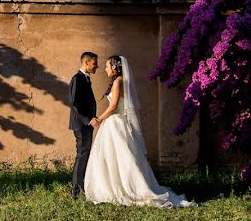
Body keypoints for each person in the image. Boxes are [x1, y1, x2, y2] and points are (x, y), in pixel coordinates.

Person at [84, 55, 197, 207]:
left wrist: (99, 119)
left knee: (118, 157)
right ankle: (115, 186)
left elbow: (113, 106)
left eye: (107, 66)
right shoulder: (120, 81)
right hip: (116, 124)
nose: (105, 69)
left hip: (115, 123)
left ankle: (123, 187)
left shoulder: (118, 81)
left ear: (115, 67)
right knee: (117, 157)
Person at [68, 51, 100, 199]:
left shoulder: (86, 79)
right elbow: (75, 103)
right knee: (81, 155)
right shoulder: (77, 79)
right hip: (81, 124)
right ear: (86, 63)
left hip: (86, 124)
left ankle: (81, 187)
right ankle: (76, 191)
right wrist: (88, 120)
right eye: (95, 63)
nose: (97, 66)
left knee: (84, 155)